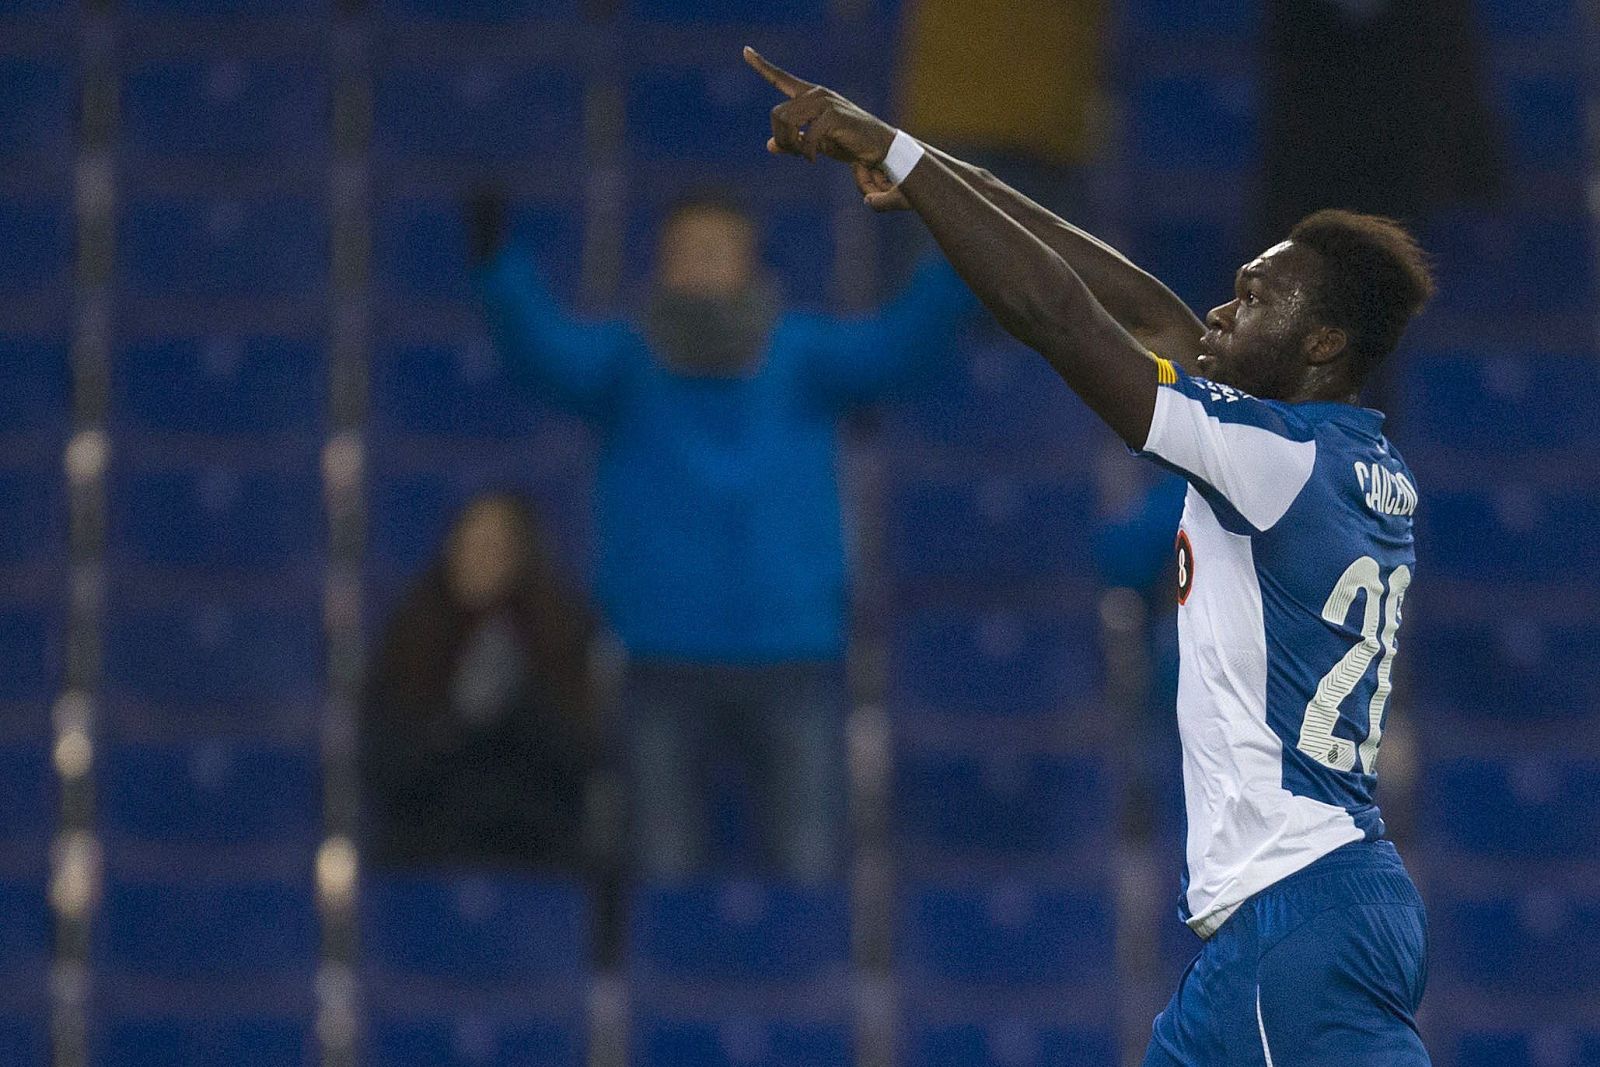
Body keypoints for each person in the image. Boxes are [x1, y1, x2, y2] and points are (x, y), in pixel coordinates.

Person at [746, 47, 1433, 1065]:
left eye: (1255, 298)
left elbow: (1060, 317)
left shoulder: (1269, 457)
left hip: (1293, 912)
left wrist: (891, 142)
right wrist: (934, 175)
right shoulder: (1350, 458)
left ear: (1323, 344)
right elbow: (1145, 307)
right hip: (1290, 913)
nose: (1220, 309)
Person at [467, 187, 976, 883]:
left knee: (809, 870)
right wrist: (501, 270)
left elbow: (900, 348)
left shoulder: (801, 352)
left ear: (750, 264)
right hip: (661, 653)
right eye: (688, 252)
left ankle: (805, 996)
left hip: (790, 651)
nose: (703, 265)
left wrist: (958, 252)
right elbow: (545, 354)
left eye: (718, 250)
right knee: (663, 875)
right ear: (663, 265)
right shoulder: (629, 359)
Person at [360, 493, 597, 874]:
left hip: (533, 857)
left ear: (523, 557)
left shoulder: (557, 637)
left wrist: (517, 704)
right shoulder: (410, 638)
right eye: (470, 545)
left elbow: (578, 761)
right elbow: (387, 766)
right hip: (425, 854)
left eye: (496, 547)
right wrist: (455, 723)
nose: (481, 559)